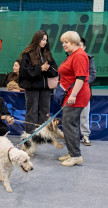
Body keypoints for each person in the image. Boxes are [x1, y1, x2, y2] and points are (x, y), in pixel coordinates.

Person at [57, 31, 90, 167]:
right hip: (70, 95)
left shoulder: (79, 56)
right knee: (69, 125)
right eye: (63, 42)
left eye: (66, 42)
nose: (63, 44)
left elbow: (81, 78)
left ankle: (76, 156)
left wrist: (73, 95)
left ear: (75, 42)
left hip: (76, 96)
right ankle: (72, 152)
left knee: (69, 125)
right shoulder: (73, 55)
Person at [18, 30, 58, 133]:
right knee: (32, 112)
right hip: (32, 88)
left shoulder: (47, 53)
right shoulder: (27, 54)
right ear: (37, 39)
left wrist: (46, 68)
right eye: (42, 39)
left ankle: (43, 135)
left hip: (45, 89)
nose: (45, 42)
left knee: (45, 111)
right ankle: (31, 135)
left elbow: (54, 70)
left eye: (46, 40)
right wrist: (40, 69)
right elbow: (24, 71)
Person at [79, 37, 96, 146]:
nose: (78, 47)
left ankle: (85, 136)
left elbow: (93, 75)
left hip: (85, 92)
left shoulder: (89, 59)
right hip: (71, 94)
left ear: (84, 47)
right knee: (71, 117)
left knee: (84, 115)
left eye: (80, 45)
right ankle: (72, 138)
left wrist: (82, 83)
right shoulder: (70, 58)